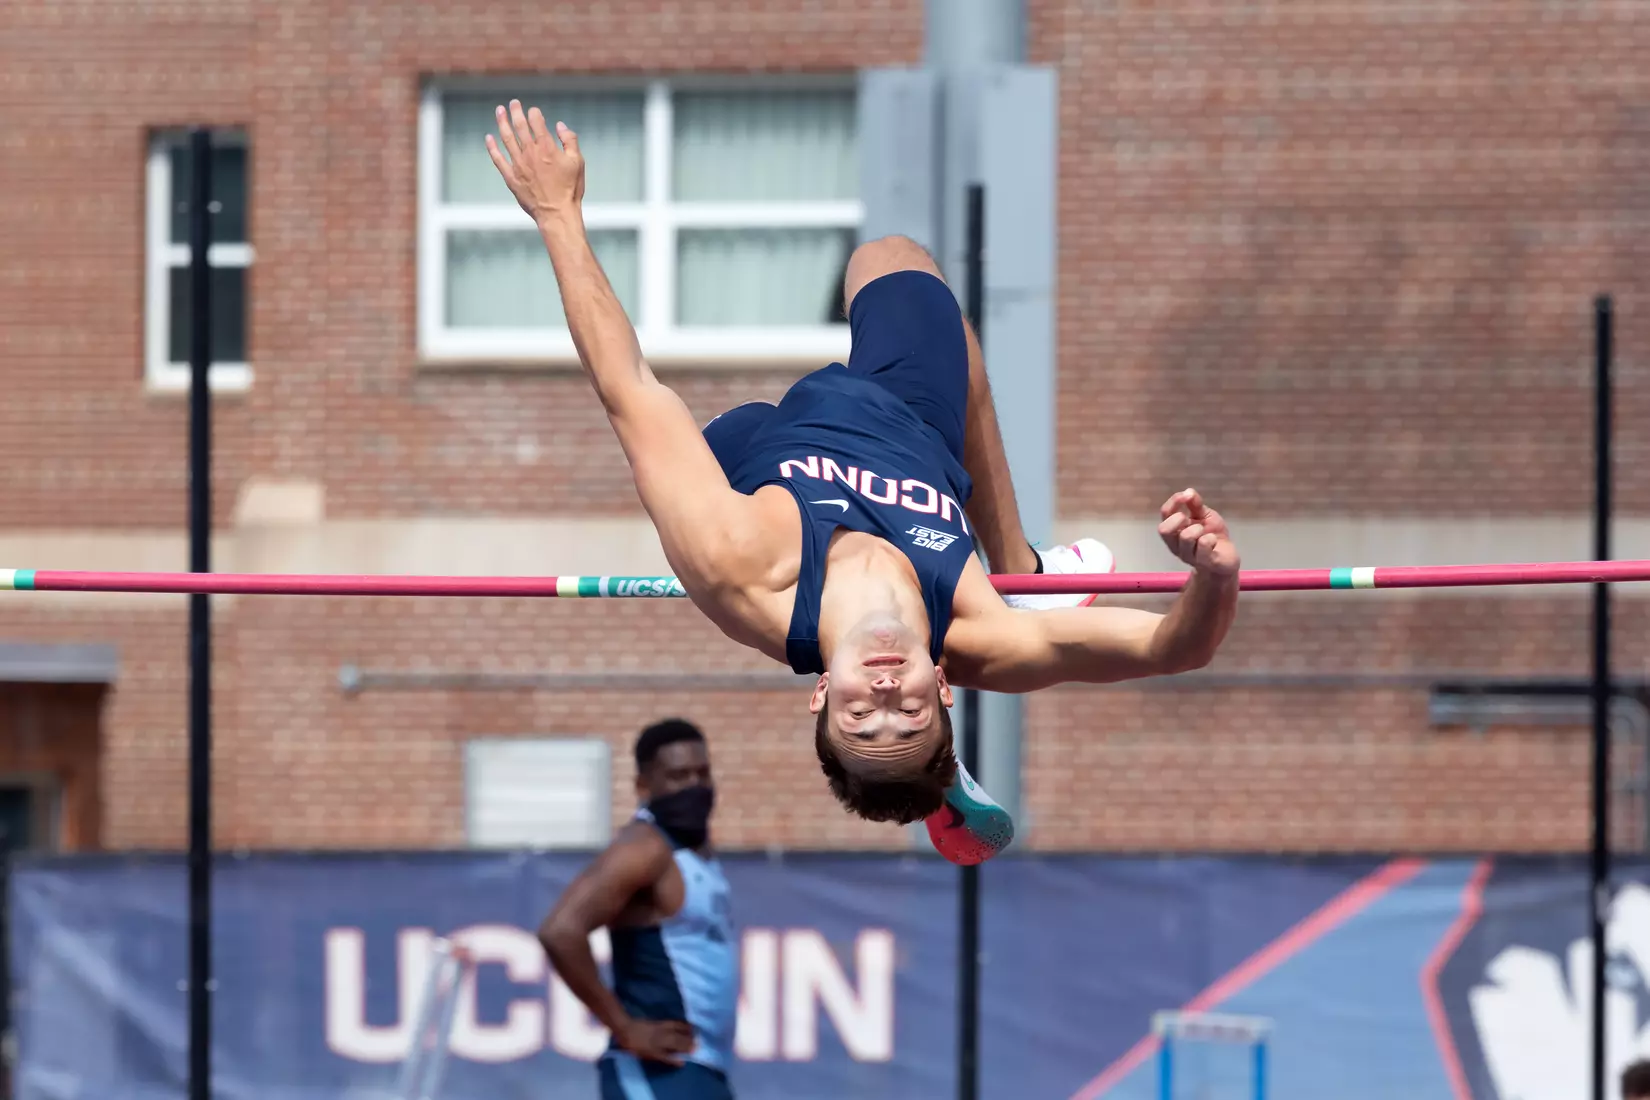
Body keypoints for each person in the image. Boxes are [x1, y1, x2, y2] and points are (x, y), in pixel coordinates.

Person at [484, 102, 1241, 859]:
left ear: (819, 695)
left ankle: (945, 745)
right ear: (945, 689)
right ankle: (1020, 573)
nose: (885, 701)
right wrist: (1213, 573)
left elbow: (630, 386)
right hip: (902, 422)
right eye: (911, 721)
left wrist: (558, 215)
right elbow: (1177, 647)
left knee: (694, 443)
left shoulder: (742, 562)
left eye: (859, 721)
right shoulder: (984, 636)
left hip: (749, 463)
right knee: (892, 260)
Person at [538, 719, 738, 1100]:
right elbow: (560, 931)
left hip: (703, 1070)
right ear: (644, 787)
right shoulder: (643, 847)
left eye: (703, 773)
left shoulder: (694, 850)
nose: (695, 786)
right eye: (679, 776)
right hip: (659, 1070)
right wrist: (626, 1028)